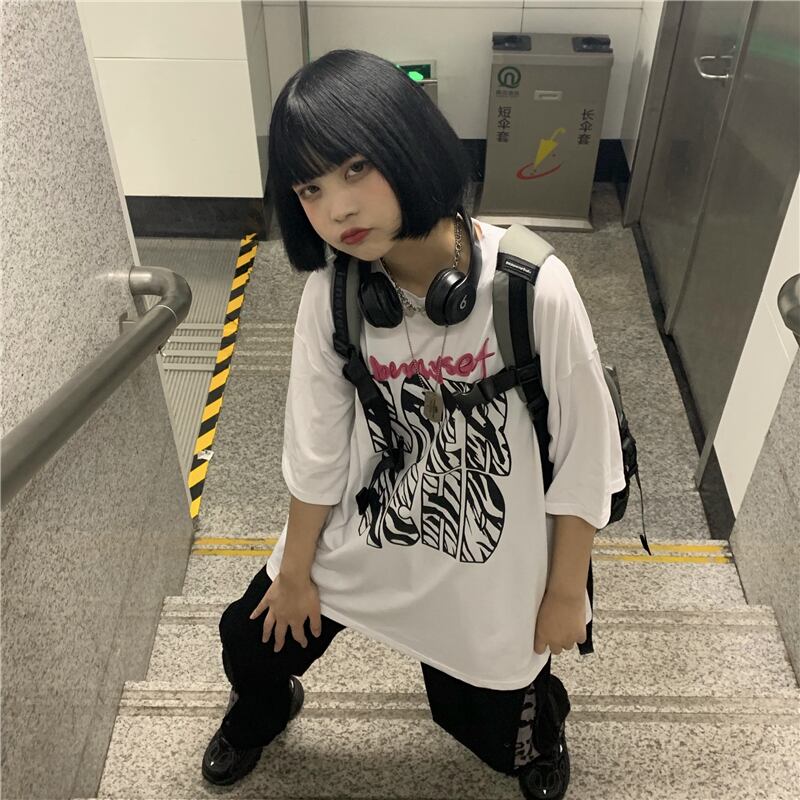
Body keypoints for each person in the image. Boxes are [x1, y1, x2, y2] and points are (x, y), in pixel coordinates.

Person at [202, 49, 625, 800]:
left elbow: (586, 456)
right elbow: (316, 448)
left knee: (487, 728)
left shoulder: (532, 288)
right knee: (250, 640)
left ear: (408, 147)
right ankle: (265, 709)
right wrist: (294, 572)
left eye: (356, 169)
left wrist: (566, 593)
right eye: (311, 188)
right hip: (382, 518)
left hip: (491, 549)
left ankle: (538, 732)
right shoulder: (334, 296)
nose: (337, 209)